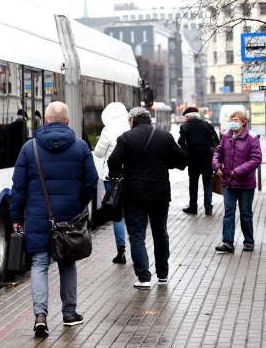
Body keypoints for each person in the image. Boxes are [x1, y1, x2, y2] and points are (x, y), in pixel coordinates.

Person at [10, 101, 98, 337]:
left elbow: (18, 188)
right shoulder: (80, 147)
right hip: (69, 218)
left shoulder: (30, 148)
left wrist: (16, 218)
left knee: (39, 265)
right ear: (67, 121)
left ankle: (40, 315)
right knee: (67, 263)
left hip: (38, 218)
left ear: (45, 120)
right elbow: (91, 182)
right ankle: (69, 314)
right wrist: (77, 206)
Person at [107, 107, 186, 289]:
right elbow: (181, 158)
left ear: (132, 121)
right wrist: (164, 164)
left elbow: (113, 162)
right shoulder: (164, 136)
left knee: (136, 236)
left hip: (134, 194)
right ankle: (163, 275)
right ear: (148, 120)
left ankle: (143, 278)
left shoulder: (126, 137)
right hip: (160, 193)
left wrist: (117, 175)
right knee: (160, 234)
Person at [213, 111, 262, 253]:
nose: (233, 121)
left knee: (245, 213)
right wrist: (216, 166)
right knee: (228, 211)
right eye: (231, 119)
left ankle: (249, 242)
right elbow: (218, 153)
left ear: (243, 122)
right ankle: (227, 242)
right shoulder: (226, 136)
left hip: (245, 183)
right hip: (228, 181)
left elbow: (256, 159)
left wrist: (239, 170)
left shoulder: (252, 137)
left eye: (236, 119)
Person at [93, 102, 130, 264]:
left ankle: (121, 250)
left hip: (112, 180)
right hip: (131, 178)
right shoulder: (131, 128)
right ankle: (137, 247)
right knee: (133, 214)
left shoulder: (107, 130)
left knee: (117, 216)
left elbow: (99, 153)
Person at [178, 106, 220, 215]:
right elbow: (217, 141)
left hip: (193, 160)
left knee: (193, 183)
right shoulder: (207, 125)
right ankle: (208, 208)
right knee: (208, 183)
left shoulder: (185, 126)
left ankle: (193, 207)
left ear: (187, 117)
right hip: (207, 159)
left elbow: (181, 141)